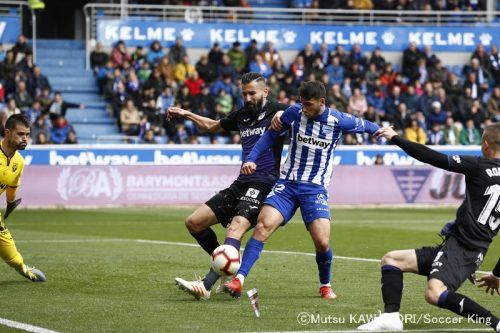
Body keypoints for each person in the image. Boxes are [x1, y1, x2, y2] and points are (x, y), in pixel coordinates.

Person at [223, 81, 380, 299]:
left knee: (322, 242)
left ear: (321, 102)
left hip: (314, 189)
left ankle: (325, 285)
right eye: (301, 104)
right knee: (263, 226)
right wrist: (251, 159)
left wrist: (386, 132)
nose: (304, 109)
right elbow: (268, 136)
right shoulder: (294, 113)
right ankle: (238, 280)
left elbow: (369, 126)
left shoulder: (339, 120)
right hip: (286, 184)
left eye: (309, 105)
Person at [357, 125, 500, 332]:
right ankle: (390, 318)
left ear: (485, 145)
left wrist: (395, 137)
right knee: (392, 260)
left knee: (434, 293)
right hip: (465, 247)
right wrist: (496, 275)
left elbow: (431, 157)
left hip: (462, 249)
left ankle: (495, 323)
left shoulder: (479, 165)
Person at [168, 72, 287, 300]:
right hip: (241, 181)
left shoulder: (278, 111)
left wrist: (286, 113)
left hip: (264, 182)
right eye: (244, 94)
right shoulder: (242, 115)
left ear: (265, 92)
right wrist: (186, 113)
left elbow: (306, 112)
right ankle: (226, 264)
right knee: (194, 222)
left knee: (235, 228)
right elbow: (213, 126)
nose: (248, 98)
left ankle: (206, 284)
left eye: (252, 93)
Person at [0, 114, 46, 282]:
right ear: (7, 133)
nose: (25, 139)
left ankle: (24, 269)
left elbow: (12, 187)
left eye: (27, 134)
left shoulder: (19, 162)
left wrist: (10, 203)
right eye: (20, 134)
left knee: (13, 257)